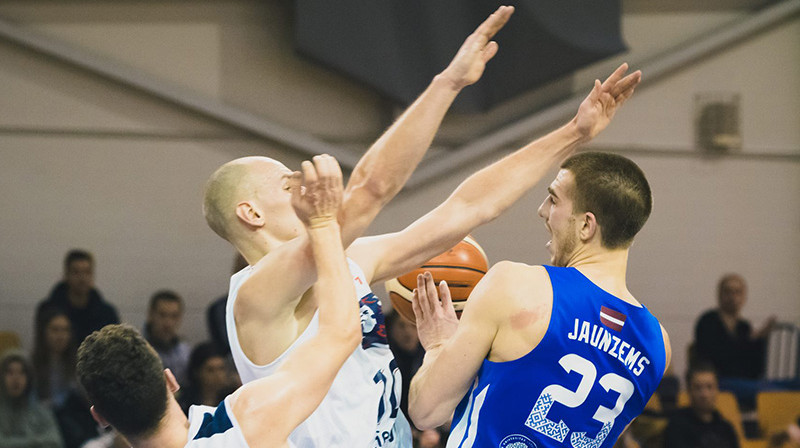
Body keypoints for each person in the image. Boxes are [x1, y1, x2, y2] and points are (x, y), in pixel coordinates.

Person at [203, 5, 642, 446]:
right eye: (285, 181)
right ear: (251, 214)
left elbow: (469, 208)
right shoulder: (255, 296)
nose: (302, 181)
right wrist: (447, 82)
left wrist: (574, 132)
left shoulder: (348, 260)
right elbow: (371, 190)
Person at [77, 156, 363, 447]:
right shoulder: (244, 422)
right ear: (171, 381)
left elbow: (342, 334)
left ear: (100, 417)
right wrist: (324, 223)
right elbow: (341, 334)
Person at [408, 151, 671, 448]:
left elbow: (426, 412)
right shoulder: (658, 345)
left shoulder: (515, 285)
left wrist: (438, 346)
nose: (542, 210)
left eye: (554, 199)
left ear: (587, 225)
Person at [694, 273, 775, 380]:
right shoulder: (707, 321)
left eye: (738, 292)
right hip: (717, 381)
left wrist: (760, 341)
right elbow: (716, 359)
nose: (733, 297)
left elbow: (756, 368)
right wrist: (752, 341)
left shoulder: (744, 327)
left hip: (745, 381)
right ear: (719, 295)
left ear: (744, 297)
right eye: (728, 291)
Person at [36, 249, 119, 344]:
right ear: (66, 275)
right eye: (76, 272)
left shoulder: (107, 314)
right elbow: (42, 349)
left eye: (87, 272)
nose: (82, 278)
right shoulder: (48, 311)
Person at [664, 363, 739, 448]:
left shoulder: (726, 428)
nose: (704, 394)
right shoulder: (677, 426)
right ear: (689, 390)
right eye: (698, 387)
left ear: (717, 389)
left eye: (709, 387)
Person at [0, 350, 64, 448]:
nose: (15, 378)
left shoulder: (41, 412)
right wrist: (35, 442)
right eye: (10, 372)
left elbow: (55, 442)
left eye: (21, 372)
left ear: (28, 378)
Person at [144, 290, 192, 385]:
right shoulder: (140, 351)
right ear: (150, 315)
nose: (168, 323)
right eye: (162, 315)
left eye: (174, 316)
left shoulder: (186, 353)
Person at [177, 342, 236, 414]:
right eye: (210, 370)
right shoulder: (185, 403)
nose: (218, 375)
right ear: (197, 372)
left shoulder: (233, 398)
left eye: (221, 369)